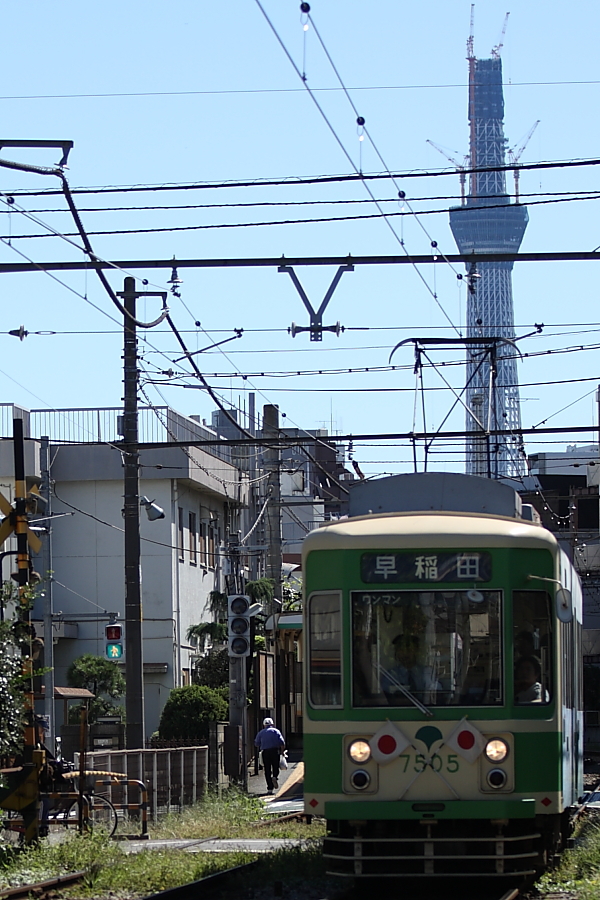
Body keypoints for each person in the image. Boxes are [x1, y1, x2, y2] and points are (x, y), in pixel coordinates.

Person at [381, 633, 441, 702]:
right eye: (401, 650)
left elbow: (437, 693)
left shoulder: (427, 672)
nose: (405, 653)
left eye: (409, 649)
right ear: (396, 653)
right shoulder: (390, 675)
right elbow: (385, 698)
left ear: (416, 651)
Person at [254, 717, 285, 795]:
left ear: (264, 725)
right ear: (272, 724)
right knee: (275, 766)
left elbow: (256, 744)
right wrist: (282, 752)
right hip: (275, 751)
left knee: (267, 770)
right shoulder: (276, 731)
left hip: (265, 752)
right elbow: (282, 742)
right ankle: (274, 776)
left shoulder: (261, 732)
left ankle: (270, 788)